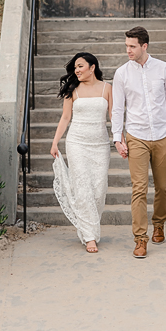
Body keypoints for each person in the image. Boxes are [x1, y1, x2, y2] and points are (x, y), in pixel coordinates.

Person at [111, 26, 166, 259]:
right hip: (136, 136)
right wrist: (117, 138)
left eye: (132, 46)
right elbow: (118, 108)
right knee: (139, 188)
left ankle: (159, 224)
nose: (128, 50)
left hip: (163, 135)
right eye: (126, 46)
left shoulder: (163, 68)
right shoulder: (122, 73)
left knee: (162, 187)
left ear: (144, 46)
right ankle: (140, 239)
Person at [50, 52, 112, 253]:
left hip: (100, 144)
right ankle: (89, 236)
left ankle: (89, 228)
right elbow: (65, 118)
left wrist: (122, 138)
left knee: (99, 188)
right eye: (75, 67)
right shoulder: (72, 90)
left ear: (92, 67)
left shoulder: (107, 88)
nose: (76, 70)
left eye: (80, 66)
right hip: (77, 142)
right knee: (83, 187)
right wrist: (55, 142)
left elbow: (114, 117)